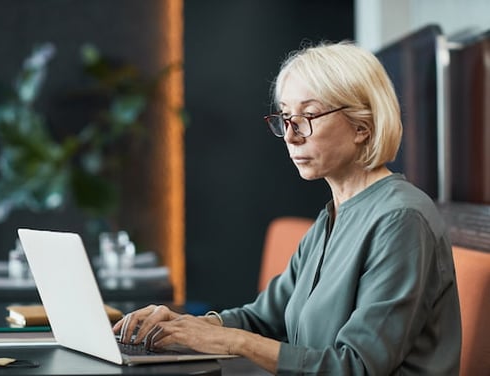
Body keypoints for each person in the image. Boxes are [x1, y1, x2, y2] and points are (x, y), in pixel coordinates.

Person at [112, 41, 462, 375]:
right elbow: (263, 318)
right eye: (285, 118)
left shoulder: (401, 219)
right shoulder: (332, 217)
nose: (292, 136)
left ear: (362, 126)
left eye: (308, 116)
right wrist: (182, 325)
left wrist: (231, 340)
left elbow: (357, 367)